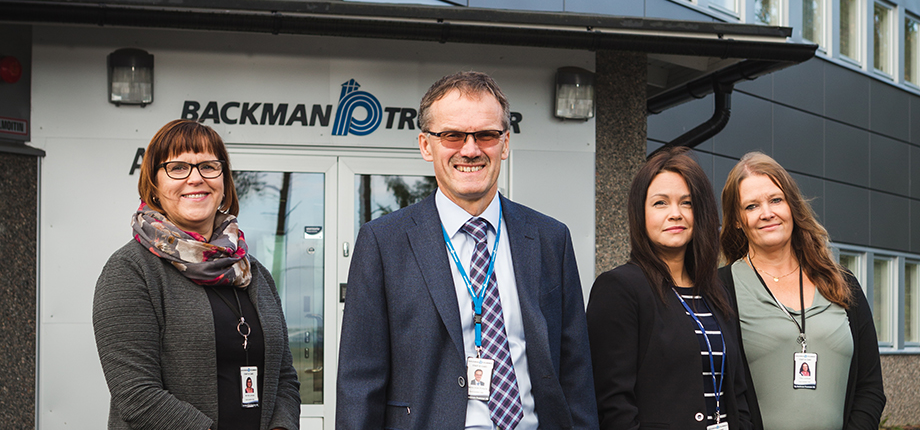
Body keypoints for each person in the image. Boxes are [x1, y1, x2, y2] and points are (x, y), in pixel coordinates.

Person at [336, 71, 598, 430]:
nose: (471, 150)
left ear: (505, 143)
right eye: (452, 135)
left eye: (486, 135)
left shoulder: (550, 239)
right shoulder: (383, 243)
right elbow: (359, 383)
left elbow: (576, 374)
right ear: (426, 145)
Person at [93, 120, 300, 430]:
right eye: (177, 168)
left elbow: (284, 378)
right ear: (154, 185)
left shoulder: (253, 272)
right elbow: (136, 395)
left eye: (208, 166)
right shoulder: (130, 269)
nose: (195, 178)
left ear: (224, 181)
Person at [587, 146, 752, 430]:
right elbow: (613, 405)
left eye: (686, 203)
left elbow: (737, 392)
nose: (675, 214)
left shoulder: (716, 291)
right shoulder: (619, 289)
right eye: (660, 203)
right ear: (640, 213)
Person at [719, 152, 885, 430]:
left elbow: (870, 388)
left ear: (791, 206)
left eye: (776, 200)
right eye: (751, 206)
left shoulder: (843, 284)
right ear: (737, 219)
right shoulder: (720, 290)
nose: (767, 213)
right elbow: (720, 393)